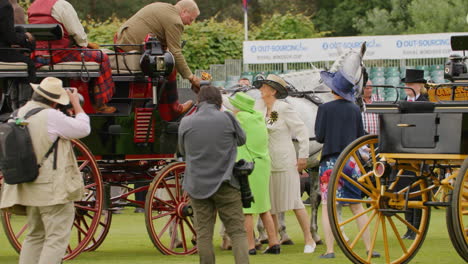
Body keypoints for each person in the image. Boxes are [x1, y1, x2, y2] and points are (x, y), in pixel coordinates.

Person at [0, 77, 90, 264]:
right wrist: (76, 105)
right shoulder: (51, 116)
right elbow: (83, 128)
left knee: (34, 235)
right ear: (55, 100)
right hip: (51, 187)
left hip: (28, 183)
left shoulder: (18, 113)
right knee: (56, 238)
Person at [178, 85, 249, 264]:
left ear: (198, 102)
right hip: (226, 182)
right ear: (219, 102)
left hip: (197, 184)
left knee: (204, 234)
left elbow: (182, 151)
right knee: (237, 232)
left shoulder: (186, 122)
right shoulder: (227, 118)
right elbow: (242, 140)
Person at [315, 69, 379, 259]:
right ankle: (369, 247)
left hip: (330, 162)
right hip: (351, 161)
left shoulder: (324, 109)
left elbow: (319, 136)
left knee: (328, 207)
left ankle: (330, 250)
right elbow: (360, 136)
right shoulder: (354, 109)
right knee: (357, 206)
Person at [253, 74, 316, 254]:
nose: (260, 89)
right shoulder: (258, 106)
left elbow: (301, 131)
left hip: (285, 161)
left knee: (295, 202)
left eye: (264, 86)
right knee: (269, 204)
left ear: (273, 90)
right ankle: (274, 242)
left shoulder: (282, 108)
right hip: (265, 162)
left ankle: (309, 239)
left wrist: (303, 156)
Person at [116, 0, 201, 121]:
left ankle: (153, 103)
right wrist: (191, 78)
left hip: (121, 41)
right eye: (191, 19)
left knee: (162, 59)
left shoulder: (161, 6)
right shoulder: (175, 21)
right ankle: (173, 111)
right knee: (168, 66)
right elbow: (175, 52)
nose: (190, 24)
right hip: (131, 47)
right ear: (184, 11)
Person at [28, 0, 116, 113]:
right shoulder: (61, 5)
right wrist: (85, 44)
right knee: (101, 57)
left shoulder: (33, 6)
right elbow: (77, 33)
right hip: (60, 53)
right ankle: (100, 104)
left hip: (39, 55)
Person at [226, 92, 280, 255]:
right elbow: (272, 121)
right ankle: (274, 242)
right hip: (263, 164)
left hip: (247, 166)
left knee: (247, 208)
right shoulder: (258, 116)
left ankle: (250, 246)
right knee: (264, 207)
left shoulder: (240, 118)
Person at [399, 68, 428, 239]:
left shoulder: (425, 101)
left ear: (419, 85)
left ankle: (417, 228)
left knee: (417, 190)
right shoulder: (403, 100)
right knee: (406, 190)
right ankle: (408, 228)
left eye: (410, 84)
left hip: (419, 149)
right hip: (405, 149)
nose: (407, 87)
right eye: (406, 84)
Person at [0, 0, 35, 80]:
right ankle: (26, 91)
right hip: (2, 53)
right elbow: (10, 38)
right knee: (29, 64)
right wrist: (25, 37)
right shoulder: (5, 6)